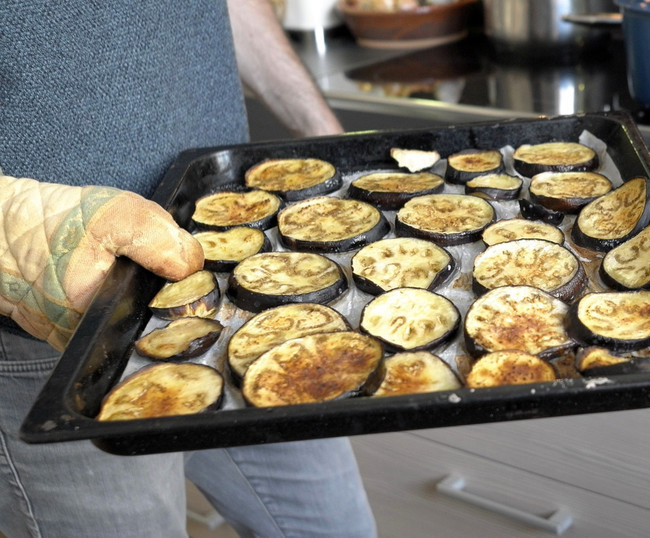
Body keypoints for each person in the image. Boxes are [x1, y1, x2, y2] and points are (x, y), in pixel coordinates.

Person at [0, 1, 376, 536]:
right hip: (57, 325)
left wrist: (327, 138)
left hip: (243, 277)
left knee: (334, 527)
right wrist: (14, 229)